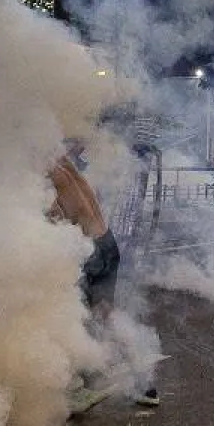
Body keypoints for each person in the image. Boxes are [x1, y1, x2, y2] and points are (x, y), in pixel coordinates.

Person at [48, 140, 158, 407]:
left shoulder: (47, 174)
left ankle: (76, 387)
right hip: (107, 244)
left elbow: (54, 218)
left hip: (90, 252)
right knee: (106, 316)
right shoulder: (68, 170)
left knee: (72, 318)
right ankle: (139, 383)